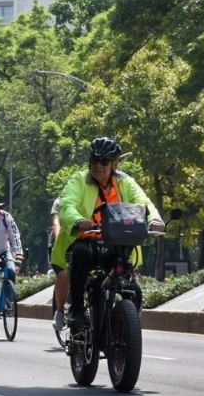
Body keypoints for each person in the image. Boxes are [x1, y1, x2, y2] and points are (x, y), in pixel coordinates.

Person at [55, 137, 164, 328]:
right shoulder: (79, 180)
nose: (99, 166)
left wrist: (154, 219)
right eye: (95, 161)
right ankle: (77, 310)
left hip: (116, 242)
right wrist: (79, 221)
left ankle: (126, 326)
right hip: (88, 240)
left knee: (131, 285)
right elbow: (66, 206)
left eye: (104, 162)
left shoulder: (126, 182)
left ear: (114, 164)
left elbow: (143, 202)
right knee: (80, 254)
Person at [48, 197, 69, 331]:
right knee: (63, 274)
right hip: (61, 244)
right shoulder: (60, 202)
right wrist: (59, 243)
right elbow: (56, 224)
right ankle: (60, 312)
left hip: (83, 242)